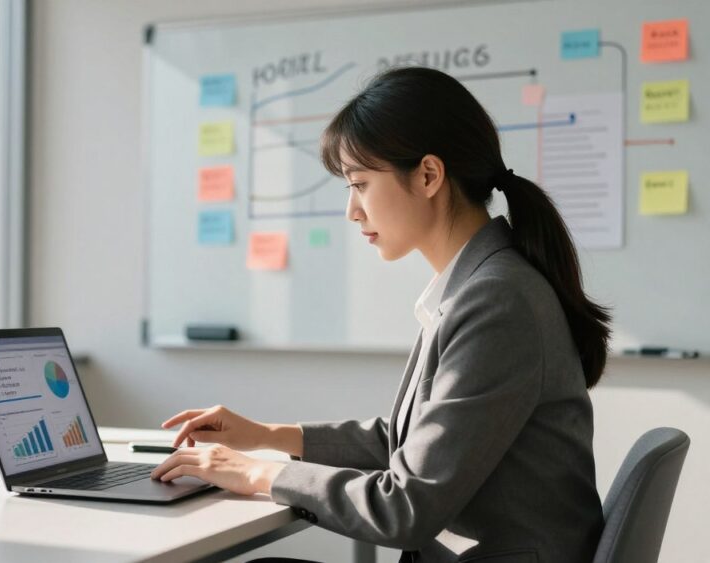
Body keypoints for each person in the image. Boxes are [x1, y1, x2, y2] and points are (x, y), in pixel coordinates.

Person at [150, 66, 611, 562]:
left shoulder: (496, 301)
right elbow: (409, 439)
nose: (352, 210)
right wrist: (268, 436)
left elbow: (405, 508)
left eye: (361, 184)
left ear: (429, 175)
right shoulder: (482, 285)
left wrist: (255, 472)